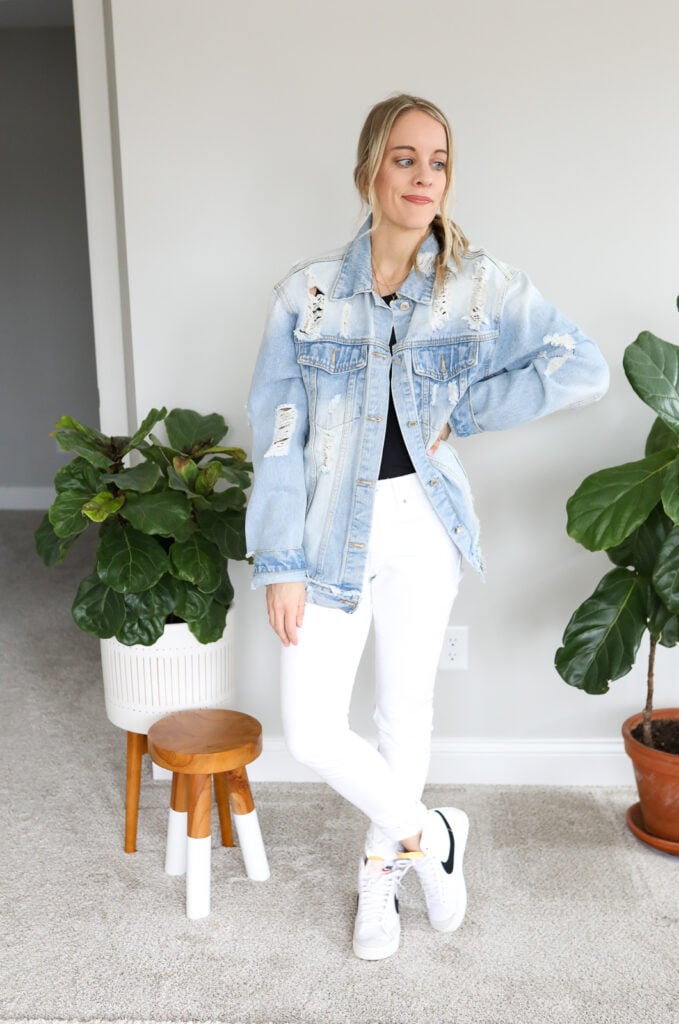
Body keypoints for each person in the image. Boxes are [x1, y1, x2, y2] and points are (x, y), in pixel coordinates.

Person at [246, 93, 609, 960]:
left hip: (423, 524)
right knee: (314, 730)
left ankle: (383, 872)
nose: (422, 177)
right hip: (329, 534)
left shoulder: (477, 285)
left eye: (437, 161)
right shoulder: (308, 293)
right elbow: (277, 432)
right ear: (369, 167)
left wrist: (468, 411)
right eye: (404, 158)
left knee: (403, 710)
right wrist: (281, 561)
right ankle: (432, 834)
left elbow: (581, 365)